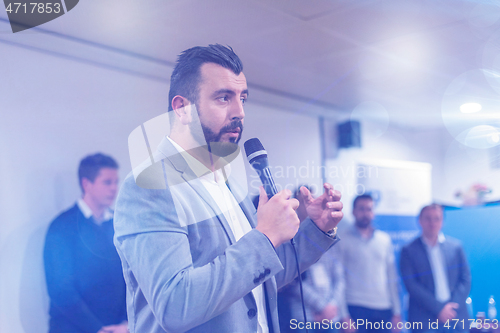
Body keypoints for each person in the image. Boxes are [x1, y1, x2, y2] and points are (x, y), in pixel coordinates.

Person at [113, 44, 344, 333]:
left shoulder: (227, 182)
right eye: (224, 98)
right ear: (182, 110)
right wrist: (265, 236)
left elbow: (260, 272)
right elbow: (176, 305)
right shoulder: (148, 187)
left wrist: (318, 230)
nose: (240, 112)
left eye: (242, 99)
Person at [43, 153, 128, 333]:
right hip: (73, 329)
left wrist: (126, 323)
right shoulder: (61, 227)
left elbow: (130, 276)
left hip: (118, 328)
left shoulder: (120, 223)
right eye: (107, 182)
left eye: (116, 182)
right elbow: (61, 289)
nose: (114, 188)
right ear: (86, 184)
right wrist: (97, 329)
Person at [278, 186, 343, 333]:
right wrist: (321, 307)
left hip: (332, 314)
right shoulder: (287, 234)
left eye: (314, 199)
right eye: (305, 200)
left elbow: (339, 277)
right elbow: (291, 280)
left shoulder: (328, 230)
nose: (311, 203)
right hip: (304, 315)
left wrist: (332, 306)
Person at [399, 204, 471, 333]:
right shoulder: (408, 250)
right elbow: (411, 285)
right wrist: (439, 309)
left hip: (455, 316)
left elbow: (465, 279)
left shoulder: (456, 247)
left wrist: (451, 307)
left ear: (442, 221)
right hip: (424, 318)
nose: (432, 223)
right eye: (428, 218)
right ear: (419, 221)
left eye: (437, 218)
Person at [335, 194, 401, 333]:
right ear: (353, 212)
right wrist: (343, 315)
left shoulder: (384, 240)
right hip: (355, 307)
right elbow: (338, 279)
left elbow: (392, 278)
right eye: (361, 209)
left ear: (374, 212)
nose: (366, 213)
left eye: (369, 209)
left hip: (383, 308)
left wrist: (396, 312)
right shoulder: (342, 239)